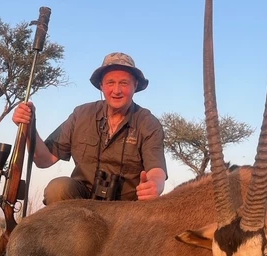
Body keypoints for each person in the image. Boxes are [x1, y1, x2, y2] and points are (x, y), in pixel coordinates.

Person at [13, 52, 167, 204]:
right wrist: (29, 128)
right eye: (110, 83)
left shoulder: (149, 123)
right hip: (82, 202)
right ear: (101, 86)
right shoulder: (81, 114)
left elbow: (156, 170)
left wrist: (155, 185)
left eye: (124, 83)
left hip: (126, 208)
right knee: (58, 188)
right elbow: (44, 160)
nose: (117, 90)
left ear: (135, 85)